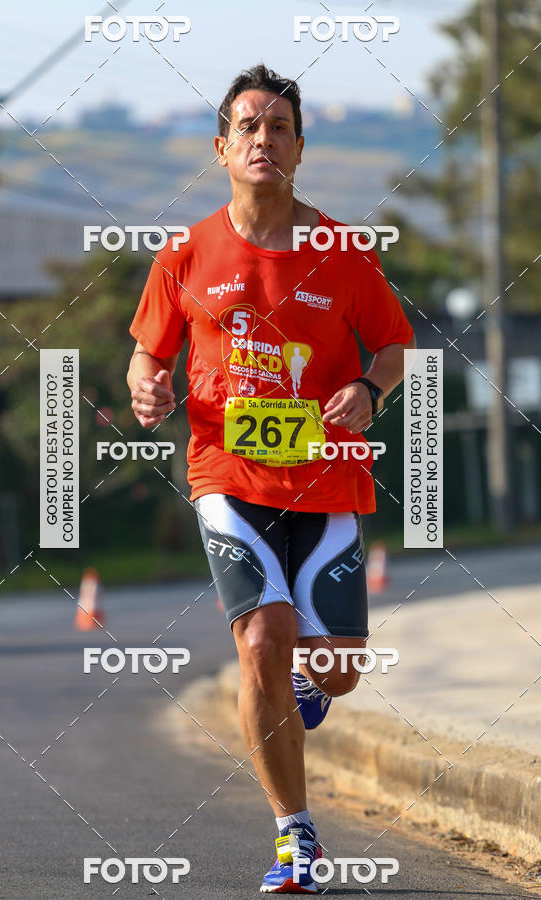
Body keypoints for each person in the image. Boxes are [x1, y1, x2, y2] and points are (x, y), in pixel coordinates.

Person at [127, 64, 416, 895]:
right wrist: (147, 381)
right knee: (262, 639)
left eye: (280, 126)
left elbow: (394, 346)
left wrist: (369, 386)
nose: (264, 138)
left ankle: (303, 676)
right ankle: (296, 835)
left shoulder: (342, 250)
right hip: (227, 474)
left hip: (328, 481)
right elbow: (150, 350)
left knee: (337, 670)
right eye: (249, 125)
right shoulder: (185, 253)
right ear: (222, 148)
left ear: (299, 150)